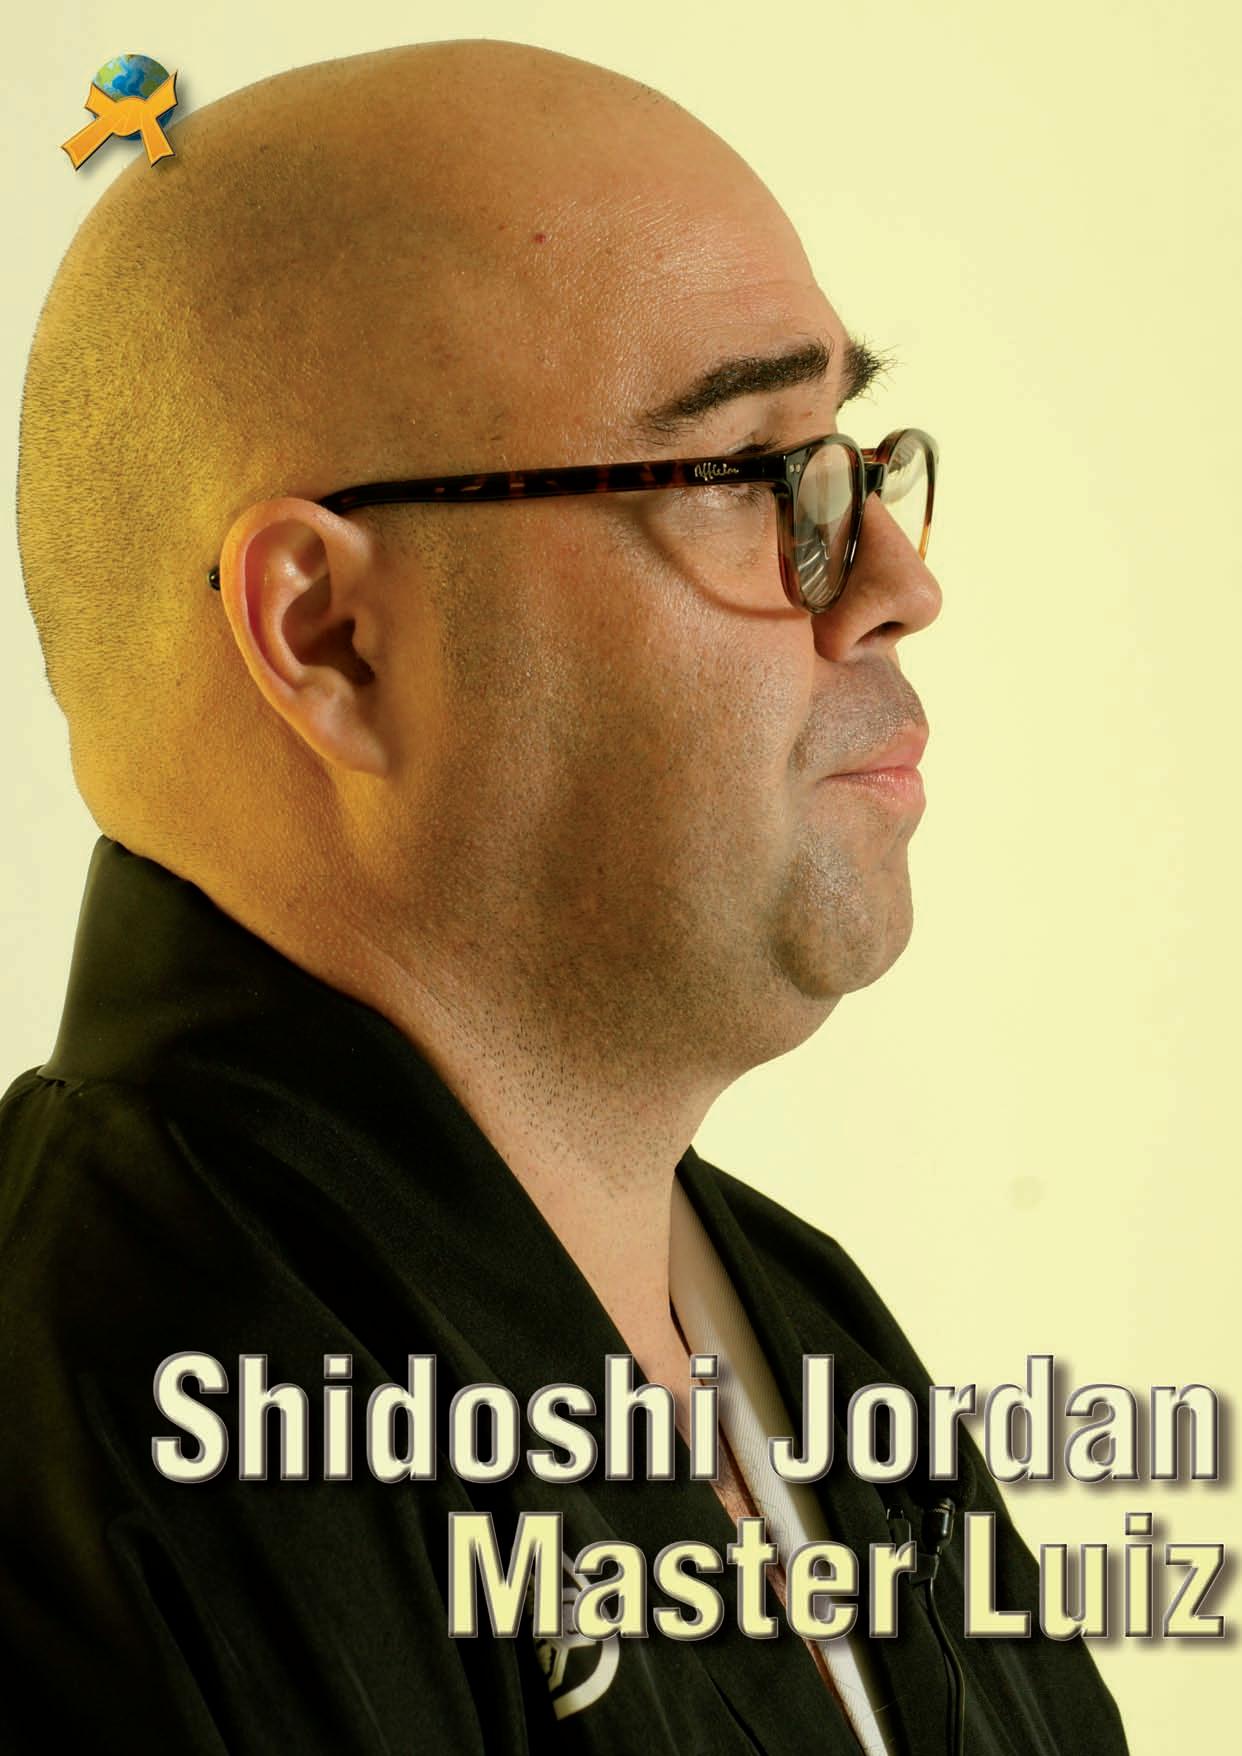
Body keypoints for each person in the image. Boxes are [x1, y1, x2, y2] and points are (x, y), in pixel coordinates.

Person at [1, 38, 1129, 1755]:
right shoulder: (84, 1448)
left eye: (848, 454)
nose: (897, 581)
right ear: (332, 636)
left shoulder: (811, 1343)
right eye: (748, 473)